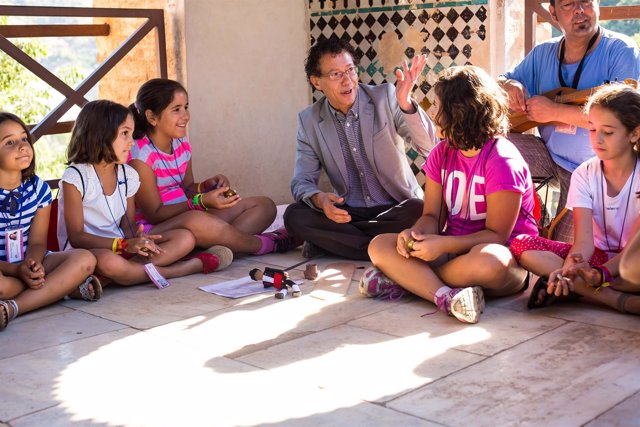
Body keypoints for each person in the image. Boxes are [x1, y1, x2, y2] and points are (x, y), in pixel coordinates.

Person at [363, 66, 537, 324]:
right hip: (455, 255)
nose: (433, 114)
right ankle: (445, 296)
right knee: (378, 246)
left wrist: (441, 245)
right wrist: (417, 234)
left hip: (505, 258)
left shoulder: (501, 159)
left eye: (437, 106)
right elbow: (432, 215)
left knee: (491, 262)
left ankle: (413, 281)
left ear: (461, 112)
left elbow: (497, 235)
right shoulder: (441, 153)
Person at [499, 0, 640, 242]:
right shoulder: (543, 53)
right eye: (568, 4)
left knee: (566, 249)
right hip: (550, 157)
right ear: (553, 13)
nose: (579, 10)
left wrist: (554, 111)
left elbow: (620, 118)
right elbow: (502, 80)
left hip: (596, 172)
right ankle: (532, 216)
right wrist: (510, 85)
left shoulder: (620, 50)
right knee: (492, 145)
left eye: (585, 2)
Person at [283, 38, 437, 260]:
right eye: (335, 74)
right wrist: (320, 200)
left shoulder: (385, 97)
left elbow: (430, 149)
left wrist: (405, 103)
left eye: (350, 70)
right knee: (294, 216)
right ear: (317, 82)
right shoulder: (308, 121)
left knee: (419, 210)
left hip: (396, 208)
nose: (347, 81)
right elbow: (301, 181)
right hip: (349, 214)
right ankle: (386, 249)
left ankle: (335, 244)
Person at [58, 100, 226, 286]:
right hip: (87, 251)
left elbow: (128, 226)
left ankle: (119, 275)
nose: (131, 142)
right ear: (100, 135)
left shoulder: (127, 174)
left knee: (184, 238)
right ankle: (182, 269)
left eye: (131, 133)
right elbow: (77, 237)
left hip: (121, 246)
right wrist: (122, 245)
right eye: (125, 134)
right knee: (107, 260)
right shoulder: (76, 177)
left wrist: (138, 240)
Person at [128, 79, 300, 256]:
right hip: (158, 229)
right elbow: (154, 213)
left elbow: (187, 188)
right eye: (176, 109)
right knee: (196, 219)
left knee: (264, 206)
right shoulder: (140, 157)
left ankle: (216, 247)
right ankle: (265, 244)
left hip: (191, 216)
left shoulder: (181, 144)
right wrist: (200, 202)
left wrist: (206, 187)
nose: (185, 115)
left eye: (186, 107)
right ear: (152, 117)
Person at [510, 85, 640, 313]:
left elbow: (634, 250)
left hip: (632, 261)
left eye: (608, 132)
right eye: (591, 129)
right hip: (597, 261)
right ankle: (611, 297)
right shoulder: (584, 173)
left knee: (632, 269)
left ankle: (579, 290)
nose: (597, 139)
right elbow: (584, 242)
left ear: (634, 133)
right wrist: (573, 265)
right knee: (523, 244)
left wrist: (601, 274)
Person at [0, 112, 98, 331]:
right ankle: (58, 289)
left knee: (85, 259)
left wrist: (32, 266)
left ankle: (13, 307)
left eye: (24, 138)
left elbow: (37, 243)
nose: (22, 146)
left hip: (29, 261)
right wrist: (17, 271)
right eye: (9, 142)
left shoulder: (39, 189)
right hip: (4, 270)